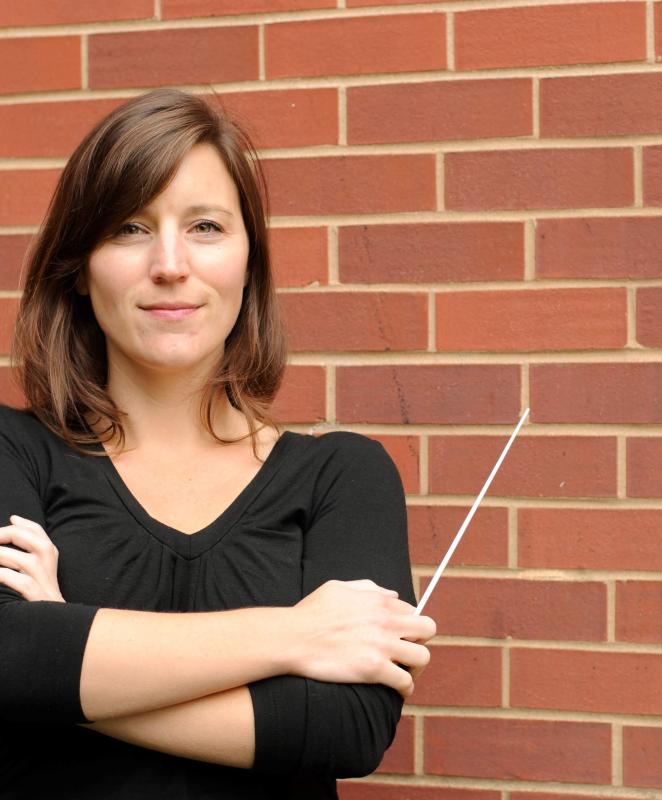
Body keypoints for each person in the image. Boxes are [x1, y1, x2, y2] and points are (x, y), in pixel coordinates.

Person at [0, 87, 436, 799]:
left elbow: (344, 727)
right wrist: (294, 634)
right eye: (129, 229)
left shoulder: (341, 476)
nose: (170, 264)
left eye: (205, 226)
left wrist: (65, 662)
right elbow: (8, 656)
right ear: (79, 266)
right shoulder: (12, 451)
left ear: (247, 262)